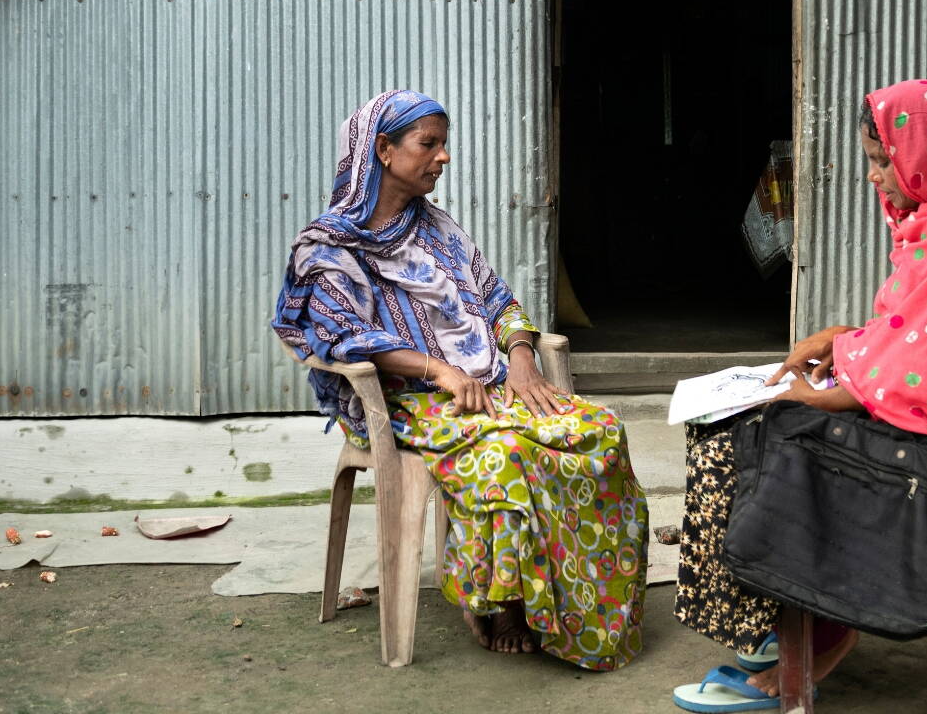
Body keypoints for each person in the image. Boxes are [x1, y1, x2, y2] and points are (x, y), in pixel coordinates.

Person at [673, 78, 927, 707]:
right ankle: (780, 621)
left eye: (881, 159)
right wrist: (842, 344)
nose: (875, 177)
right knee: (748, 417)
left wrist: (823, 394)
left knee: (744, 434)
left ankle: (812, 637)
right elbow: (919, 336)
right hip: (924, 410)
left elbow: (925, 365)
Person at [272, 90, 649, 672]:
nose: (443, 157)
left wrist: (520, 354)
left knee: (598, 430)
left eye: (443, 144)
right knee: (504, 451)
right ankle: (497, 603)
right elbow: (340, 337)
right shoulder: (328, 246)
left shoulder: (439, 229)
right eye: (429, 144)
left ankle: (577, 603)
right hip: (401, 402)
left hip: (486, 383)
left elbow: (498, 301)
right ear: (383, 150)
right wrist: (437, 368)